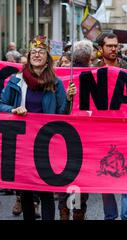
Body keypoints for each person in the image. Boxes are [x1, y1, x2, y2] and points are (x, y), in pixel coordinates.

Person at [0, 36, 76, 221]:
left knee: (45, 190)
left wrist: (68, 99)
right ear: (28, 56)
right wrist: (14, 110)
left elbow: (61, 115)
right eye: (33, 52)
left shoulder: (55, 83)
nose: (37, 55)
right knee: (25, 189)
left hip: (45, 141)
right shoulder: (15, 80)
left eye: (41, 52)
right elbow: (1, 104)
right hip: (22, 142)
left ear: (47, 57)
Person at [95, 33, 127, 220]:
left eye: (116, 45)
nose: (114, 49)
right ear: (101, 48)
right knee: (106, 179)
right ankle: (110, 216)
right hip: (102, 132)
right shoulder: (92, 71)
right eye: (109, 46)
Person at [57, 40, 92, 220]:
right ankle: (76, 211)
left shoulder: (61, 75)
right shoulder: (66, 75)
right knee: (79, 176)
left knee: (67, 173)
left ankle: (66, 211)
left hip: (65, 132)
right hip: (84, 131)